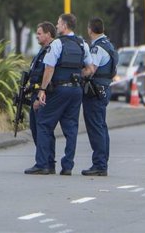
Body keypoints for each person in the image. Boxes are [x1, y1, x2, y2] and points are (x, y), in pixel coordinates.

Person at [25, 13, 94, 175]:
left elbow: (49, 68)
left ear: (64, 25)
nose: (56, 26)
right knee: (71, 128)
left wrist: (42, 89)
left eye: (58, 24)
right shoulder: (82, 44)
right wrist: (77, 76)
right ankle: (67, 166)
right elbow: (90, 69)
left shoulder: (57, 44)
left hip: (58, 90)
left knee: (43, 123)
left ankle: (43, 164)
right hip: (76, 91)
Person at [81, 17, 118, 177]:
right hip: (104, 89)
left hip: (95, 91)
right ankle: (102, 162)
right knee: (101, 126)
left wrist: (76, 74)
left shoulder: (97, 48)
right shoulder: (109, 45)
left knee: (96, 127)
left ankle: (99, 164)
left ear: (90, 29)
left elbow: (90, 70)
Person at [27, 22, 57, 169]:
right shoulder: (42, 51)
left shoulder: (51, 50)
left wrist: (40, 93)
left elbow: (48, 72)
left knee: (41, 129)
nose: (37, 36)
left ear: (48, 34)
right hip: (36, 91)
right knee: (38, 128)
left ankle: (43, 163)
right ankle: (48, 161)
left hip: (43, 94)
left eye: (39, 33)